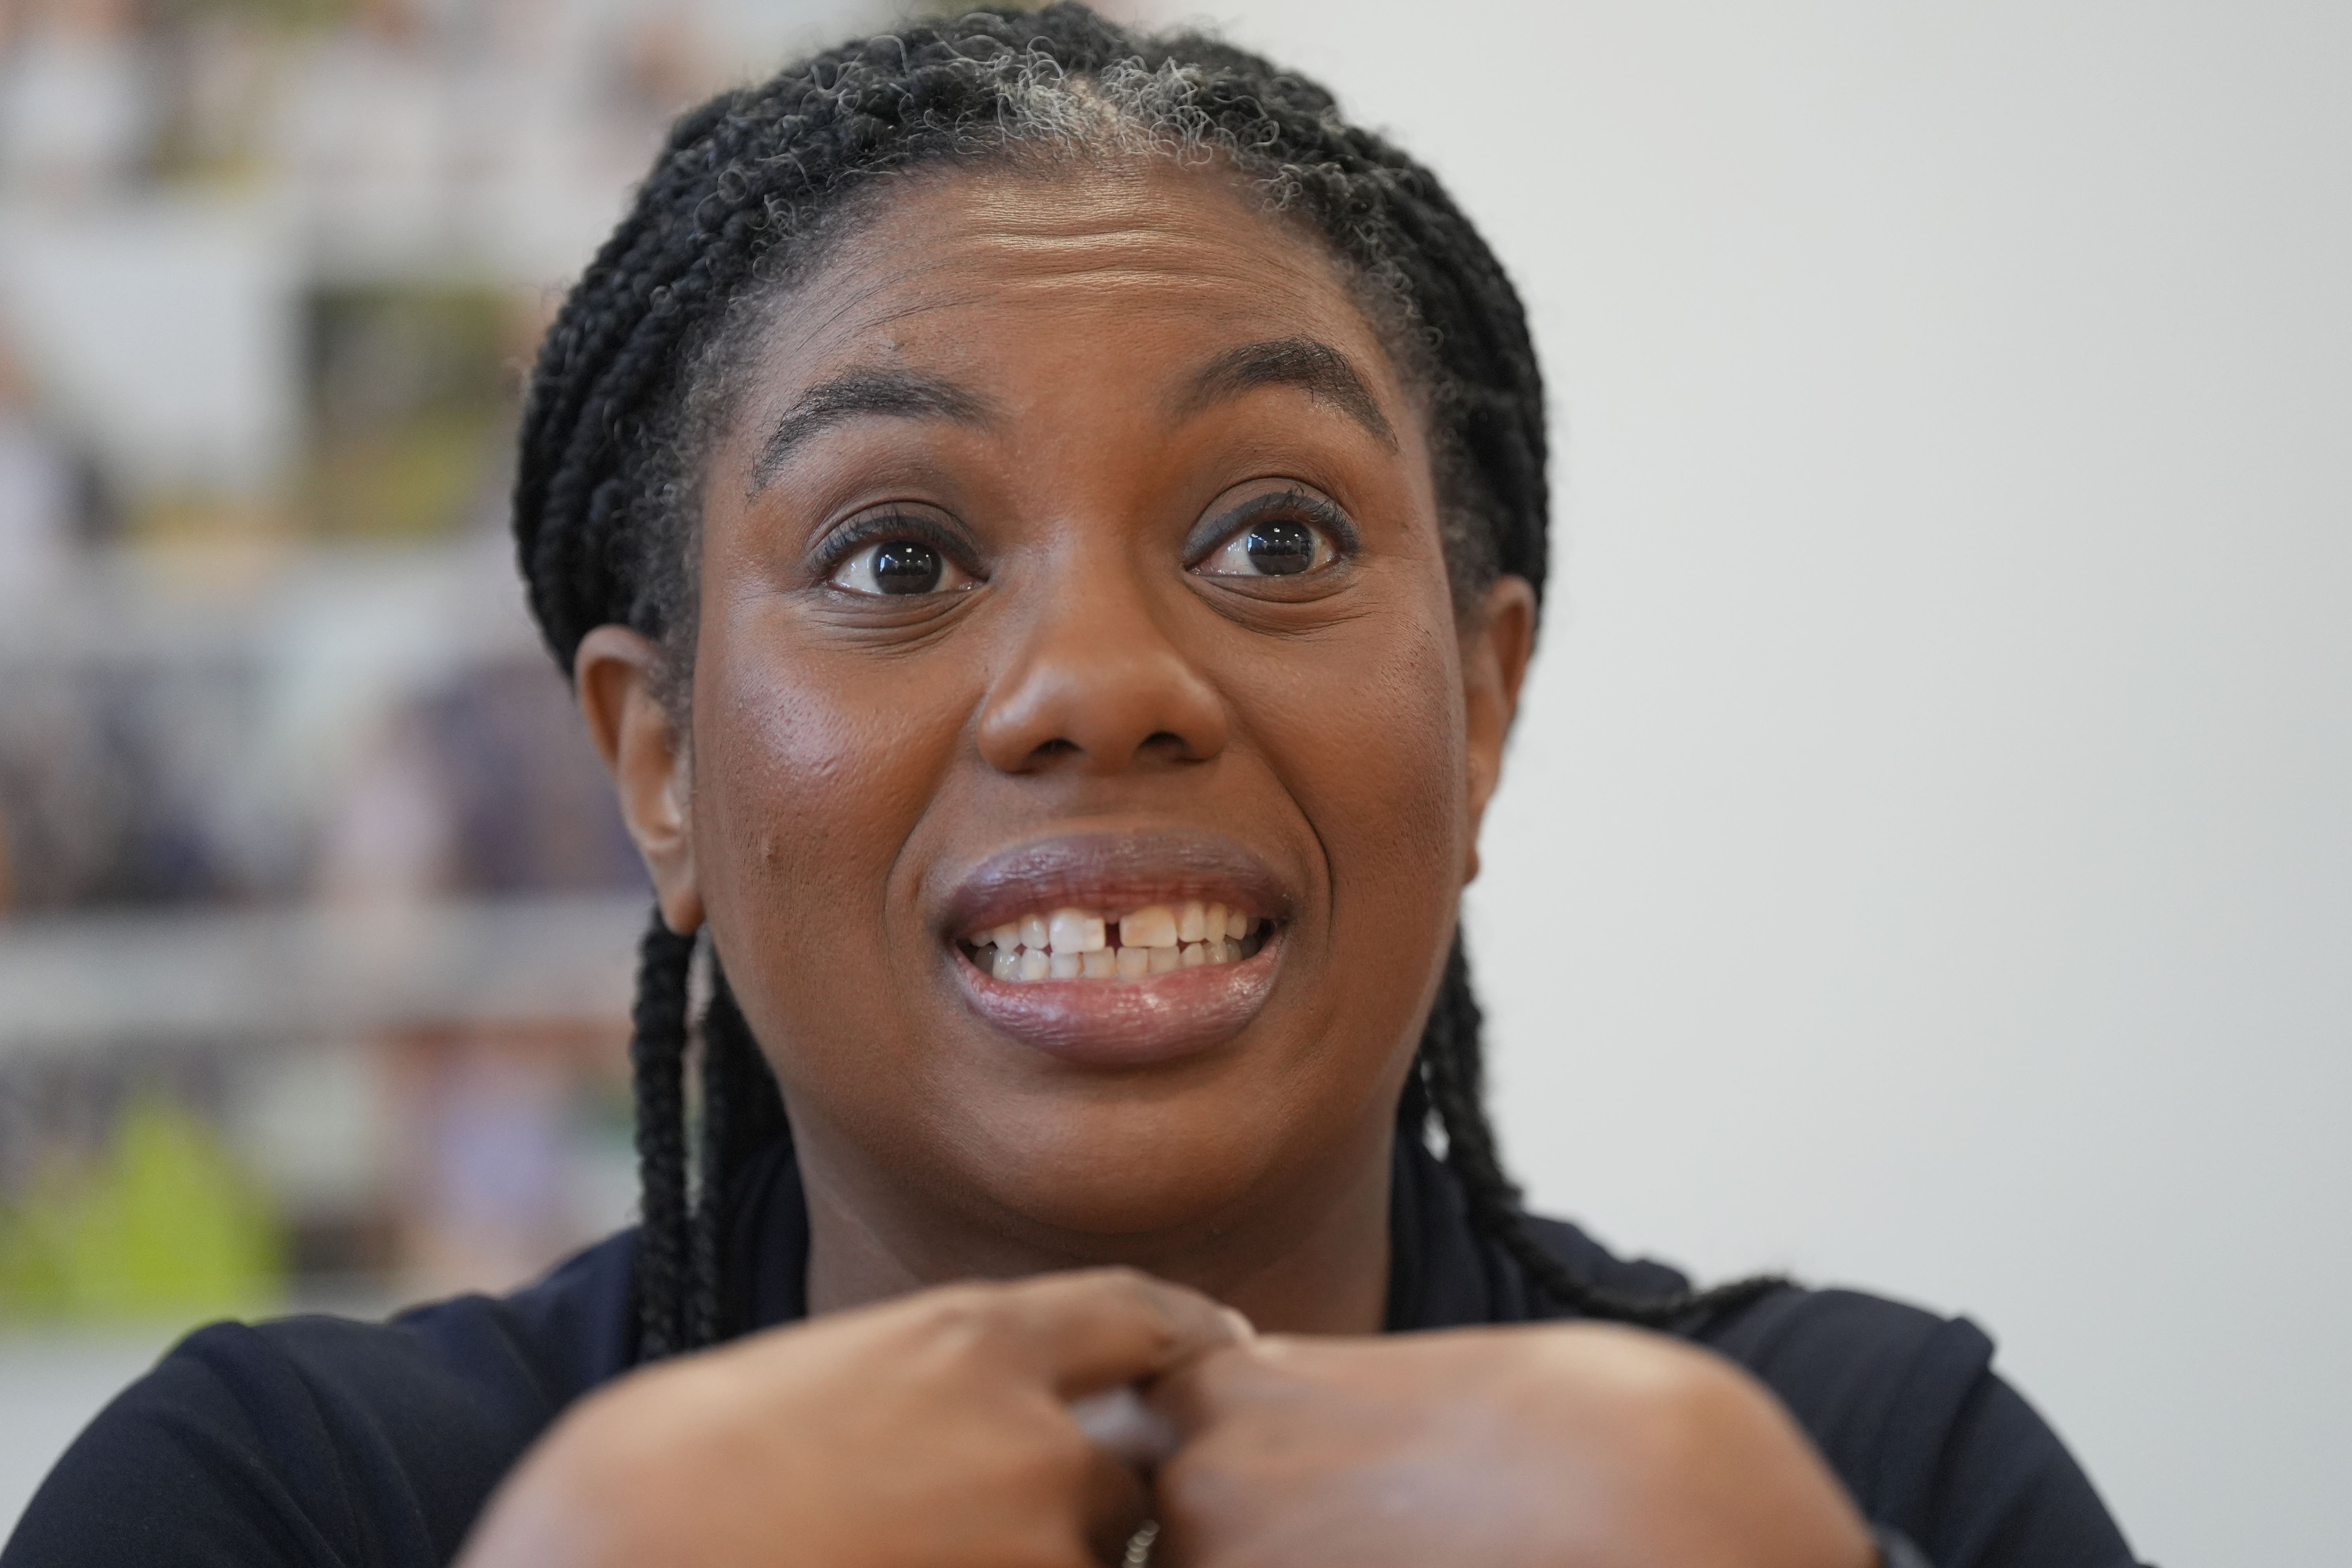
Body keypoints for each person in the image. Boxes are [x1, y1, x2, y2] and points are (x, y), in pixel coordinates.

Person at [4, 8, 2147, 1566]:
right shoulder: (282, 1505)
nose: (1101, 688)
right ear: (659, 766)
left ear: (1483, 702)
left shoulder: (1874, 1473)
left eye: (1276, 538)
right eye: (896, 559)